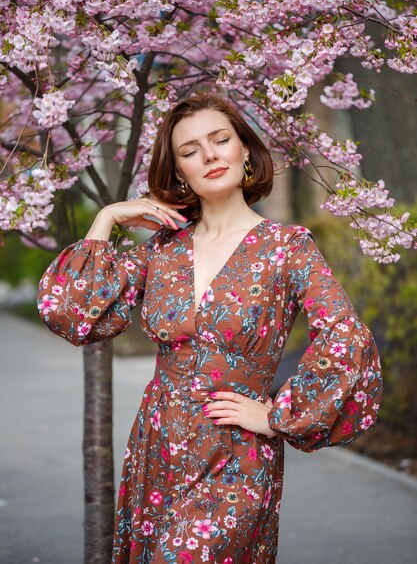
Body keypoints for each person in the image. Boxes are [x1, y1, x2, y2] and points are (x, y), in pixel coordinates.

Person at [37, 93, 383, 564]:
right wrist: (108, 219)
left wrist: (278, 415)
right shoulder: (162, 250)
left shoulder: (286, 247)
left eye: (221, 140)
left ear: (244, 150)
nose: (210, 155)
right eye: (190, 150)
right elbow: (72, 313)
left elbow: (346, 334)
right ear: (180, 171)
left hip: (238, 456)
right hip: (159, 449)